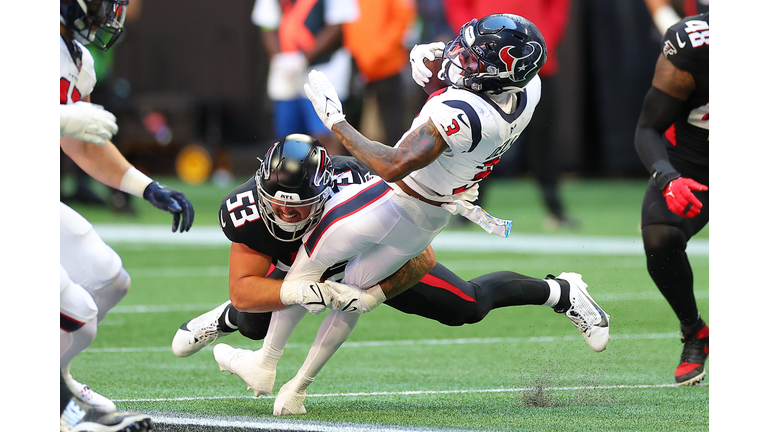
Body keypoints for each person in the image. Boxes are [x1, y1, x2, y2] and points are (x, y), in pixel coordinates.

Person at [206, 14, 608, 415]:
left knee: (312, 274)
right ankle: (294, 387)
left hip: (391, 199)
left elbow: (395, 164)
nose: (458, 59)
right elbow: (470, 91)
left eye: (471, 62)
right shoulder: (527, 88)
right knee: (355, 299)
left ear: (495, 78)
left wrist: (337, 122)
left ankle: (266, 363)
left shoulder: (465, 113)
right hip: (430, 215)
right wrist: (433, 64)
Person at [171, 134, 609, 414]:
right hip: (291, 268)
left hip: (369, 261)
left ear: (324, 194)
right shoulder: (245, 209)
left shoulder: (357, 185)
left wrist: (374, 293)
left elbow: (422, 257)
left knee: (468, 307)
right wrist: (289, 291)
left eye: (297, 206)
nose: (285, 212)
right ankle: (224, 318)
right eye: (277, 203)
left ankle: (561, 290)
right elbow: (246, 288)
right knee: (251, 319)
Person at [59, 1, 194, 430]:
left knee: (108, 278)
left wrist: (145, 186)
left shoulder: (76, 57)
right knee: (76, 314)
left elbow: (83, 142)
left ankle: (53, 382)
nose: (111, 12)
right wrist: (58, 116)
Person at [440, 0, 576, 230]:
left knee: (542, 141)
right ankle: (467, 209)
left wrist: (539, 46)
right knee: (482, 140)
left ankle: (555, 209)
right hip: (488, 68)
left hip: (534, 68)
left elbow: (558, 7)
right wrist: (478, 45)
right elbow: (456, 6)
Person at [633, 12, 708, 385]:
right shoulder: (692, 46)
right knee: (660, 236)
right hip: (695, 164)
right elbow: (648, 127)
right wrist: (667, 177)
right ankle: (695, 331)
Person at [251, 0, 360, 156]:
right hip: (285, 69)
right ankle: (294, 179)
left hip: (325, 68)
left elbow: (337, 26)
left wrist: (304, 59)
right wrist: (280, 59)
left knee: (324, 135)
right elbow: (266, 25)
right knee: (288, 138)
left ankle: (331, 178)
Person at [342, 0, 416, 146]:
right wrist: (356, 52)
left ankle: (400, 164)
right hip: (358, 64)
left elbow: (402, 19)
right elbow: (349, 21)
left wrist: (377, 52)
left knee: (393, 125)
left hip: (387, 66)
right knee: (351, 123)